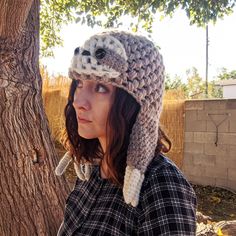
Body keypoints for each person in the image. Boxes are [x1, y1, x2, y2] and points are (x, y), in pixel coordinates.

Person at [55, 30, 197, 235]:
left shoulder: (162, 186)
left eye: (101, 88)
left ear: (137, 104)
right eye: (79, 84)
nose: (77, 102)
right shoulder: (90, 170)